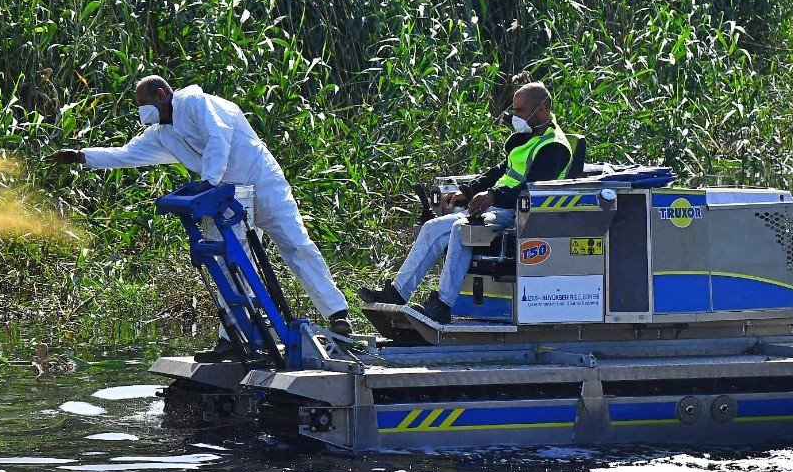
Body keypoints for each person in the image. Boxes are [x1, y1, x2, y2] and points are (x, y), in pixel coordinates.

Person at [49, 75, 353, 343]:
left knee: (295, 244)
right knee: (229, 263)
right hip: (226, 195)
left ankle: (337, 313)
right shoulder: (163, 133)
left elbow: (217, 140)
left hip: (260, 181)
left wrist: (208, 182)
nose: (141, 109)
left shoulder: (198, 103)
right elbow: (129, 154)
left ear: (161, 94)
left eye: (143, 102)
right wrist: (80, 156)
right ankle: (235, 337)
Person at [362, 81, 572, 323]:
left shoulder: (554, 146)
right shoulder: (529, 138)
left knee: (462, 229)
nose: (516, 116)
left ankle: (442, 304)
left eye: (521, 111)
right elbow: (499, 172)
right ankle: (397, 294)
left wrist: (493, 196)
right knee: (432, 227)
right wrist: (468, 191)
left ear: (542, 109)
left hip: (520, 213)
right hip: (500, 205)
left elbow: (532, 190)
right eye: (514, 110)